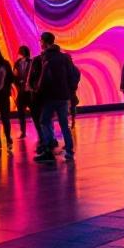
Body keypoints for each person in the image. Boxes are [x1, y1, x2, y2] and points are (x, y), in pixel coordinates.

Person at [33, 32, 78, 164]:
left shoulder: (45, 58)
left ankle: (49, 148)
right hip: (63, 96)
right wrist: (70, 92)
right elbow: (73, 75)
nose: (40, 43)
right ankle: (69, 151)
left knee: (44, 120)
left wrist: (38, 90)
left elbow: (45, 78)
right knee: (64, 124)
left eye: (41, 41)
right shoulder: (64, 57)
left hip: (51, 96)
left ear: (45, 42)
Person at [12, 46, 33, 139]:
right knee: (21, 112)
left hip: (29, 92)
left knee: (35, 113)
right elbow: (14, 76)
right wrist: (19, 83)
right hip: (21, 91)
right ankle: (23, 131)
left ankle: (40, 132)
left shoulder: (31, 62)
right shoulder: (17, 63)